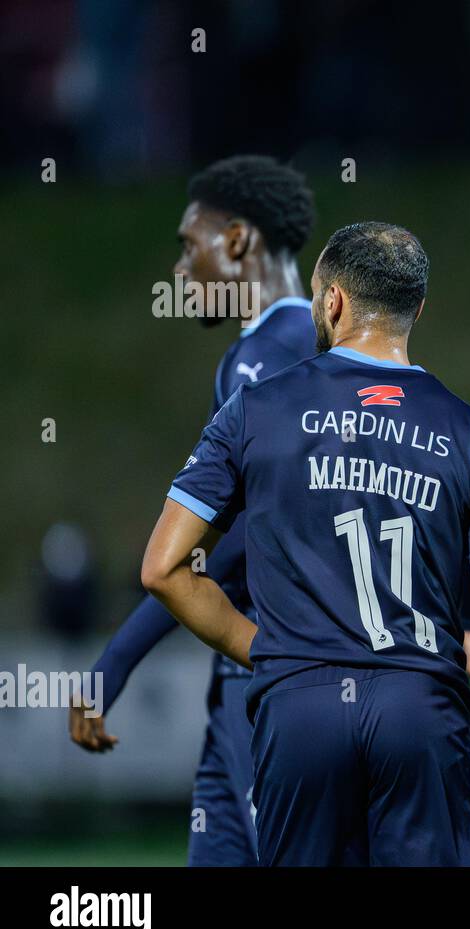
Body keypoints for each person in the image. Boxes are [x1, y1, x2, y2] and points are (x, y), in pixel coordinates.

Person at [140, 222, 470, 865]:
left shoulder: (254, 409)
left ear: (331, 303)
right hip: (422, 708)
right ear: (418, 310)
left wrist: (267, 651)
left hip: (299, 710)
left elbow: (163, 569)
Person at [69, 155, 317, 866]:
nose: (180, 271)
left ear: (236, 240)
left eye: (189, 246)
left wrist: (116, 660)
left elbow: (236, 534)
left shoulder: (272, 357)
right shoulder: (271, 351)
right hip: (242, 687)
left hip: (275, 677)